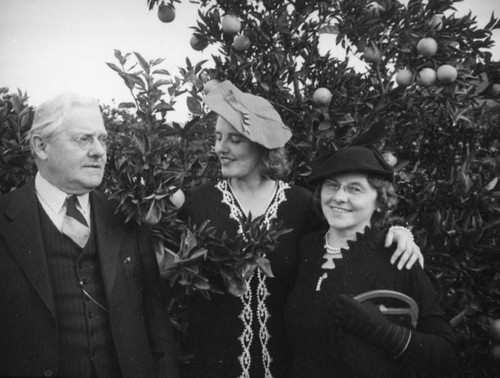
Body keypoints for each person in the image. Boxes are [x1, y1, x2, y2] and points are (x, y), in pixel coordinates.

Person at [177, 80, 423, 378]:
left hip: (287, 364)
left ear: (261, 144)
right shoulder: (198, 202)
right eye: (217, 138)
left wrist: (398, 232)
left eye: (234, 140)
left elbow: (346, 237)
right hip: (213, 362)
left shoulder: (300, 203)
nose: (220, 148)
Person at [0, 93, 179, 378]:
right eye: (84, 139)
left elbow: (157, 329)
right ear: (41, 146)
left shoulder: (127, 217)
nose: (99, 151)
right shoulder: (5, 220)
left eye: (102, 139)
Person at [285, 145, 458, 377]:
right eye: (332, 185)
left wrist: (382, 330)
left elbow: (446, 355)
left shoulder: (398, 258)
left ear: (380, 199)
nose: (339, 197)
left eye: (355, 189)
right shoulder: (304, 247)